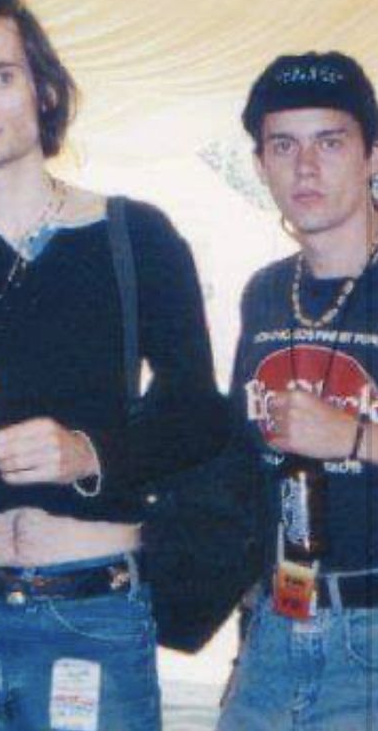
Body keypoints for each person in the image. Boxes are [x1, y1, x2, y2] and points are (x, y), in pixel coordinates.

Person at [0, 0, 228, 731]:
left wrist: (87, 453)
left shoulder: (137, 238)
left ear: (40, 86)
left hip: (90, 615)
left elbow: (198, 416)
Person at [217, 51, 378, 730]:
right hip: (276, 625)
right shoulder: (262, 291)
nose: (304, 168)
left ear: (371, 155)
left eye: (329, 142)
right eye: (283, 145)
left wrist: (351, 436)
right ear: (259, 166)